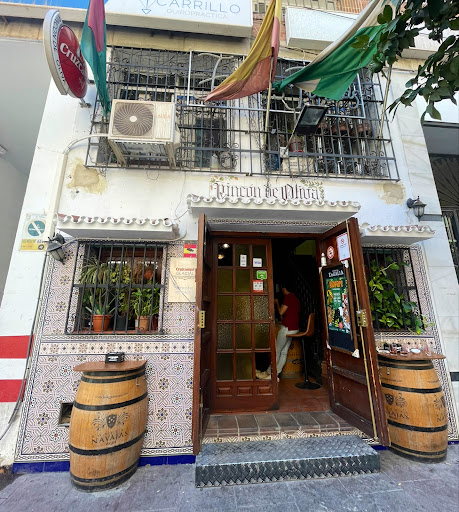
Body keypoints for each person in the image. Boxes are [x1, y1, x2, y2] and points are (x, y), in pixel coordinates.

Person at [256, 283, 300, 381]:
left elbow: (281, 312)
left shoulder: (288, 298)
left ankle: (270, 373)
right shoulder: (296, 299)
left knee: (277, 351)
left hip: (287, 328)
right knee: (284, 352)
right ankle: (275, 374)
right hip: (294, 329)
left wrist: (276, 303)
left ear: (284, 289)